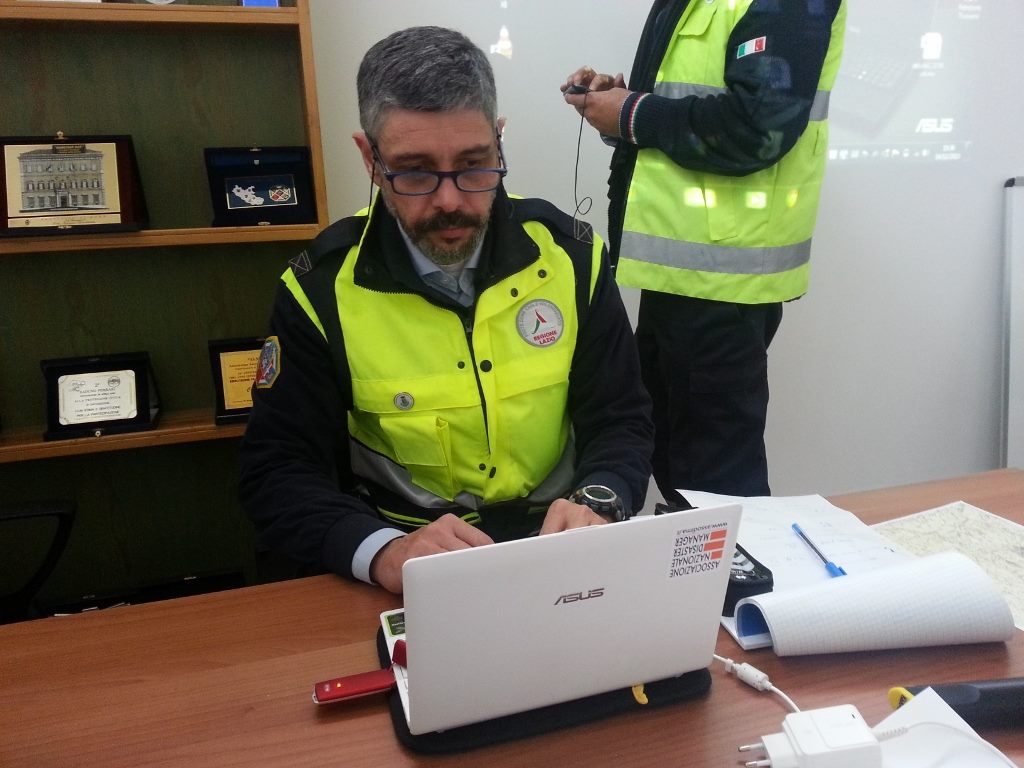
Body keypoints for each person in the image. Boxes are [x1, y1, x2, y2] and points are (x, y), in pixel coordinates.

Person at [239, 26, 654, 594]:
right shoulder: (319, 290)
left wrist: (600, 500)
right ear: (370, 158)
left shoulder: (572, 259)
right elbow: (277, 470)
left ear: (499, 142)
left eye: (475, 164)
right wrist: (382, 551)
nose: (450, 200)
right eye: (415, 171)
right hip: (408, 566)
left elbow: (622, 419)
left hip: (558, 555)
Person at [562, 1, 846, 499]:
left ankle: (734, 556)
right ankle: (692, 553)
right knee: (673, 458)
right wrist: (622, 104)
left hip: (723, 281)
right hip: (679, 274)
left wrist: (632, 113)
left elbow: (758, 128)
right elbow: (689, 106)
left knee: (715, 483)